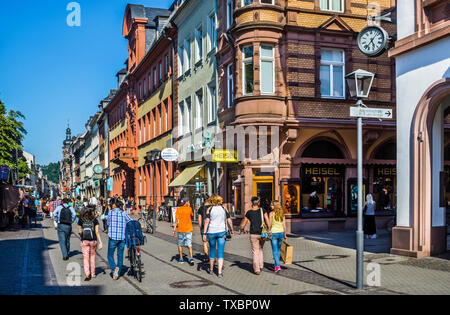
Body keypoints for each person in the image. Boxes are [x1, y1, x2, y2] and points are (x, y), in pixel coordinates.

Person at [202, 194, 234, 278]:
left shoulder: (210, 209)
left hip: (211, 232)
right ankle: (219, 272)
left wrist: (204, 233)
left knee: (212, 250)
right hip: (221, 232)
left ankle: (211, 269)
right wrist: (232, 230)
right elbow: (229, 220)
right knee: (220, 251)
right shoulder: (224, 208)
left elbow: (206, 221)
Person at [238, 196, 270, 275]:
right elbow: (267, 219)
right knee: (260, 249)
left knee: (255, 251)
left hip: (253, 234)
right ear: (258, 203)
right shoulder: (263, 210)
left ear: (252, 203)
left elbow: (244, 222)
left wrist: (240, 229)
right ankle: (261, 265)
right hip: (262, 233)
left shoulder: (249, 212)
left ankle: (257, 269)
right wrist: (269, 229)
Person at [107, 198, 132, 280]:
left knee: (110, 255)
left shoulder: (110, 213)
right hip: (122, 238)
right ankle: (118, 272)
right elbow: (130, 221)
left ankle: (114, 268)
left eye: (111, 204)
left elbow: (108, 223)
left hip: (113, 237)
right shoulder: (123, 213)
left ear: (114, 205)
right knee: (120, 255)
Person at [78, 206, 103, 281]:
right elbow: (97, 232)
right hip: (93, 241)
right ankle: (93, 273)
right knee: (92, 256)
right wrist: (100, 242)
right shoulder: (94, 220)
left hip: (84, 241)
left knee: (85, 258)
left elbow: (79, 231)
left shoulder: (81, 220)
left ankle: (87, 273)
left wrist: (82, 236)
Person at [172, 197, 195, 266]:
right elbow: (192, 215)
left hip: (181, 230)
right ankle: (191, 258)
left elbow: (176, 221)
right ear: (186, 202)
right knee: (189, 244)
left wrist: (173, 230)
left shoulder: (178, 209)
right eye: (188, 201)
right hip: (188, 229)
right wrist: (189, 206)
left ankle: (181, 258)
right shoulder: (189, 209)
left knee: (180, 244)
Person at [268, 201, 287, 273]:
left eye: (272, 205)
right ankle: (276, 265)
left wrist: (268, 231)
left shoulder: (271, 214)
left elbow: (269, 224)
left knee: (275, 250)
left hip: (274, 233)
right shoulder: (282, 214)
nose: (271, 206)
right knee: (278, 250)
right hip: (281, 233)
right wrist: (285, 234)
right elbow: (284, 226)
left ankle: (277, 266)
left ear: (275, 206)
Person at [197, 195, 210, 263]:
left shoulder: (201, 208)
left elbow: (199, 220)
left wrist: (200, 228)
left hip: (203, 227)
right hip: (211, 227)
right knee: (211, 243)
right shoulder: (212, 207)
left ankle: (207, 258)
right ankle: (212, 257)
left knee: (205, 243)